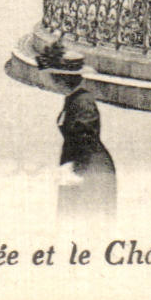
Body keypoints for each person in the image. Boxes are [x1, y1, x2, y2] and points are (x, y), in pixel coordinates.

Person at [37, 42, 116, 219]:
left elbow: (85, 139)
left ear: (61, 80)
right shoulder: (74, 98)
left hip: (91, 169)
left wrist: (73, 169)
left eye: (52, 77)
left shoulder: (83, 101)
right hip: (81, 165)